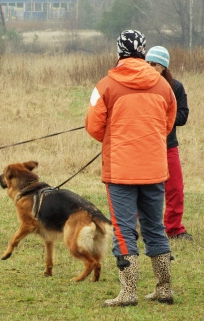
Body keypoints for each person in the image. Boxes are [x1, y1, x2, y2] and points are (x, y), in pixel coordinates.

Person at [85, 30, 177, 307]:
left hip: (120, 170)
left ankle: (128, 292)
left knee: (124, 230)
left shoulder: (105, 85)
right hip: (154, 167)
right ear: (143, 51)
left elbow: (93, 125)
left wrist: (115, 138)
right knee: (155, 227)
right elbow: (167, 124)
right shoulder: (163, 86)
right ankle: (164, 288)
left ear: (118, 52)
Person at [145, 46, 192, 241]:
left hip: (168, 146)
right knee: (142, 188)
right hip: (145, 147)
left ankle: (173, 229)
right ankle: (140, 227)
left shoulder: (176, 87)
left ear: (163, 67)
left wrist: (162, 118)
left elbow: (183, 115)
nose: (149, 67)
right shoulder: (141, 86)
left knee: (175, 189)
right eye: (147, 63)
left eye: (154, 64)